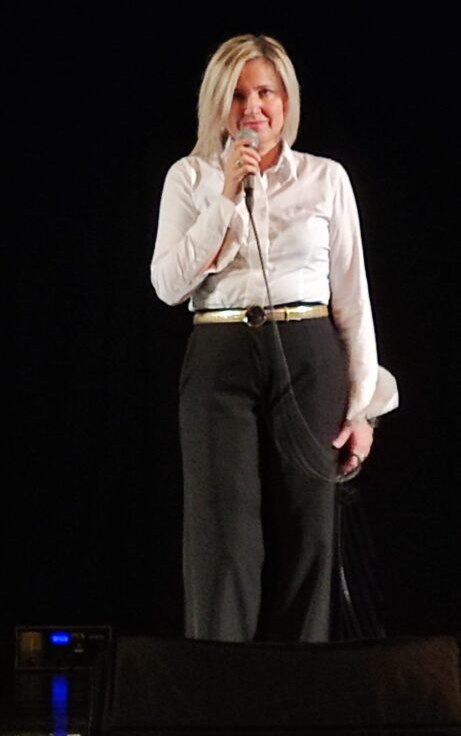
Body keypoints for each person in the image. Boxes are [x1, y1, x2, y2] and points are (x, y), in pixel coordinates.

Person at [151, 33, 398, 644]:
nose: (253, 108)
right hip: (220, 351)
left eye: (266, 92)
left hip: (308, 351)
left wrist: (363, 408)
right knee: (223, 538)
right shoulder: (189, 177)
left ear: (286, 100)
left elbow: (353, 298)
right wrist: (226, 197)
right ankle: (219, 691)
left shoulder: (325, 178)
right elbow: (168, 285)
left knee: (308, 535)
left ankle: (299, 694)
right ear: (218, 105)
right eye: (238, 95)